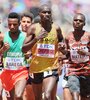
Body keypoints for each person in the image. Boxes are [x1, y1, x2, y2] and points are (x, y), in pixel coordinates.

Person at [22, 4, 63, 100]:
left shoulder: (56, 28)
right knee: (38, 98)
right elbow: (23, 48)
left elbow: (61, 41)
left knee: (48, 96)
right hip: (36, 68)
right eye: (44, 12)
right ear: (39, 14)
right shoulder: (33, 28)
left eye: (49, 12)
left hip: (51, 67)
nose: (47, 14)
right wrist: (36, 38)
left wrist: (62, 47)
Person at [59, 13, 90, 100]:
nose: (77, 22)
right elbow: (67, 54)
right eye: (75, 20)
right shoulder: (68, 37)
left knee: (85, 97)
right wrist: (62, 50)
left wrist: (86, 53)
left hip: (87, 72)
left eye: (80, 21)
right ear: (72, 22)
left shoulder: (88, 36)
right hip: (73, 72)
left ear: (84, 24)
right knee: (75, 96)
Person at [0, 12, 28, 100]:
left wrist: (29, 54)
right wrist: (3, 49)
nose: (12, 26)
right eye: (9, 24)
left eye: (14, 24)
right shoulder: (2, 37)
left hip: (21, 72)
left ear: (19, 24)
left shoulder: (25, 37)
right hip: (7, 72)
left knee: (18, 96)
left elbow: (31, 51)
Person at [20, 12, 35, 100]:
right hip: (18, 69)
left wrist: (31, 54)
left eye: (28, 22)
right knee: (19, 95)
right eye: (23, 21)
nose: (25, 24)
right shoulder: (14, 36)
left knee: (29, 95)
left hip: (31, 69)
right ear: (20, 22)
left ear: (32, 23)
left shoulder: (35, 36)